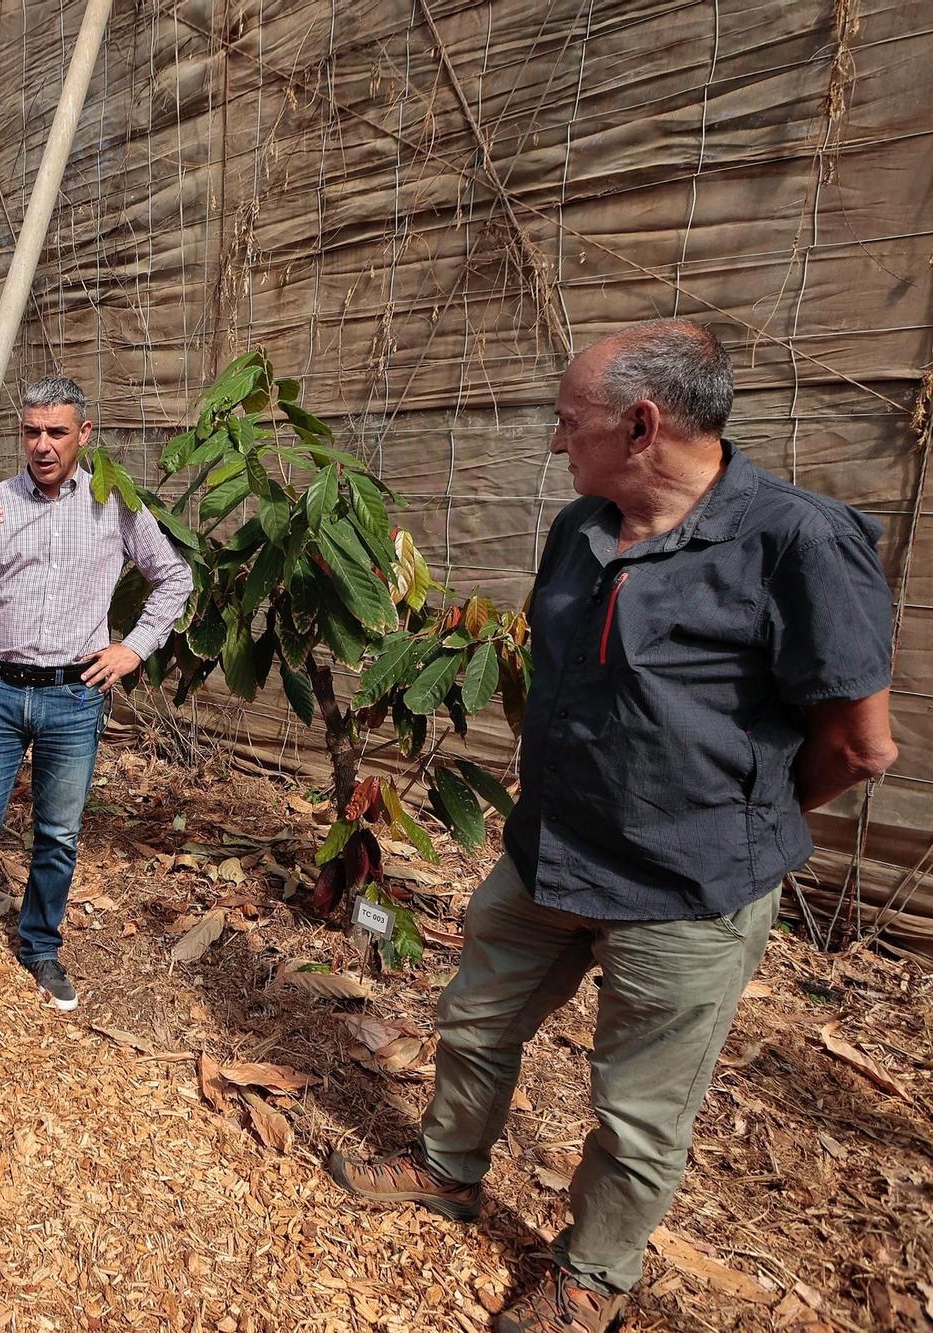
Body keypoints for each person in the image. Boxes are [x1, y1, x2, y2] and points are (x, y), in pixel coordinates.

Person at [325, 319, 897, 1333]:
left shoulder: (796, 541)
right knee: (474, 1022)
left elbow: (858, 747)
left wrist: (733, 818)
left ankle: (590, 1274)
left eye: (567, 421)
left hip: (684, 891)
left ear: (641, 424)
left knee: (636, 1110)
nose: (555, 442)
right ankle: (445, 1168)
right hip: (550, 851)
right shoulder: (581, 528)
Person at [0, 375, 192, 1013]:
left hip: (73, 696)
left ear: (84, 434)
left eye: (57, 431)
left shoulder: (115, 506)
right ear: (20, 434)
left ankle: (41, 947)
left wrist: (131, 648)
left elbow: (173, 576)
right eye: (32, 431)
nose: (44, 444)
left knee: (57, 834)